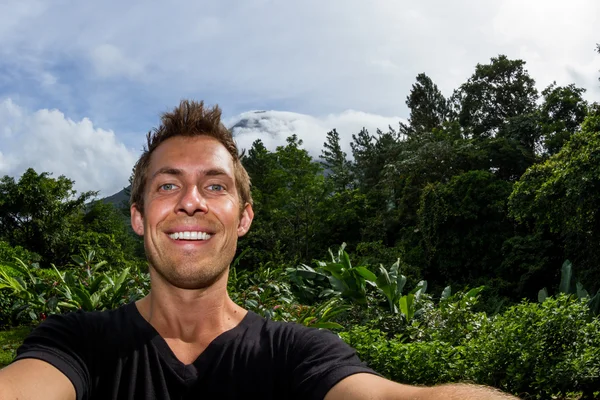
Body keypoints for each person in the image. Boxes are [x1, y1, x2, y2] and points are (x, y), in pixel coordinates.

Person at [0, 100, 518, 400]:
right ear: (137, 216)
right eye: (166, 186)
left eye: (216, 186)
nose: (191, 203)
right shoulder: (76, 344)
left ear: (243, 217)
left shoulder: (297, 354)